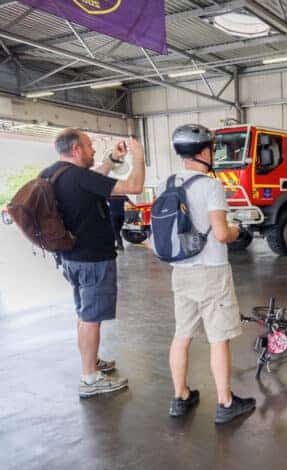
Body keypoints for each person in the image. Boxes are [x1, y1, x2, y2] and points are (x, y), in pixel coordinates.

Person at [164, 124, 256, 424]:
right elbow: (220, 233)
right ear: (204, 152)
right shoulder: (211, 186)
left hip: (181, 271)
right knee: (219, 338)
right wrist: (236, 229)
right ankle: (225, 403)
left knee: (182, 335)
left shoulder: (170, 182)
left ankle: (180, 397)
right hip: (211, 272)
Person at [43, 129, 146, 398]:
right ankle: (89, 377)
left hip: (71, 257)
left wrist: (112, 159)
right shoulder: (78, 176)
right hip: (92, 259)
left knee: (83, 313)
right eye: (89, 147)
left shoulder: (54, 173)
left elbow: (93, 179)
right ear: (76, 149)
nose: (93, 151)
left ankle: (92, 361)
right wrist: (138, 157)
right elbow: (134, 186)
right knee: (91, 318)